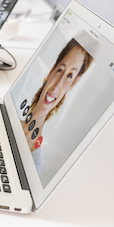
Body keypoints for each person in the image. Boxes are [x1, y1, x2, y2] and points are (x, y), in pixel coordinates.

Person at [20, 38, 93, 170]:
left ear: (73, 84)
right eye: (60, 70)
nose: (57, 85)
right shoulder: (14, 121)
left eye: (70, 75)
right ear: (52, 70)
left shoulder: (38, 160)